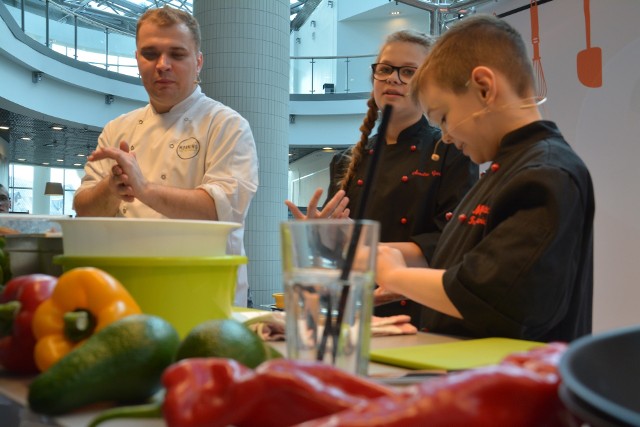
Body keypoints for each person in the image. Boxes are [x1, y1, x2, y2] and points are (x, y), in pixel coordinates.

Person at [375, 14, 595, 342]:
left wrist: (395, 274)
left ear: (484, 88)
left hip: (520, 386)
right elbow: (473, 273)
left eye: (445, 117)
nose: (446, 136)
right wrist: (418, 286)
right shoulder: (507, 168)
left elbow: (495, 299)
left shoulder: (546, 174)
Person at [286, 30, 478, 325]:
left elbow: (450, 245)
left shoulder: (453, 152)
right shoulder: (345, 161)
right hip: (355, 314)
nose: (393, 78)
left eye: (408, 72)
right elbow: (337, 256)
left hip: (421, 314)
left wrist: (359, 242)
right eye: (385, 69)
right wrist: (319, 236)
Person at [73, 6, 259, 306]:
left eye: (177, 54)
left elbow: (221, 210)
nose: (163, 65)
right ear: (137, 60)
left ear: (198, 62)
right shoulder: (117, 129)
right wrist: (110, 188)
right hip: (124, 294)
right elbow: (84, 210)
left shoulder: (226, 125)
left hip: (203, 295)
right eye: (150, 54)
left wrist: (143, 189)